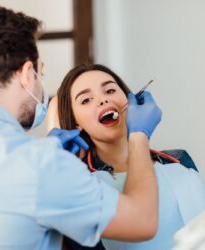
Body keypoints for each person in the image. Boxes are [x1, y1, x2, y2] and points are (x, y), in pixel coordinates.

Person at [0, 6, 162, 250]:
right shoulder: (41, 164)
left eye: (109, 90)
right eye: (41, 74)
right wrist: (139, 135)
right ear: (27, 74)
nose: (103, 100)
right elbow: (143, 221)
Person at [56, 64, 205, 250]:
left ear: (130, 100)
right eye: (86, 100)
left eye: (110, 90)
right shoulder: (79, 188)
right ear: (75, 121)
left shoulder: (178, 160)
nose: (102, 100)